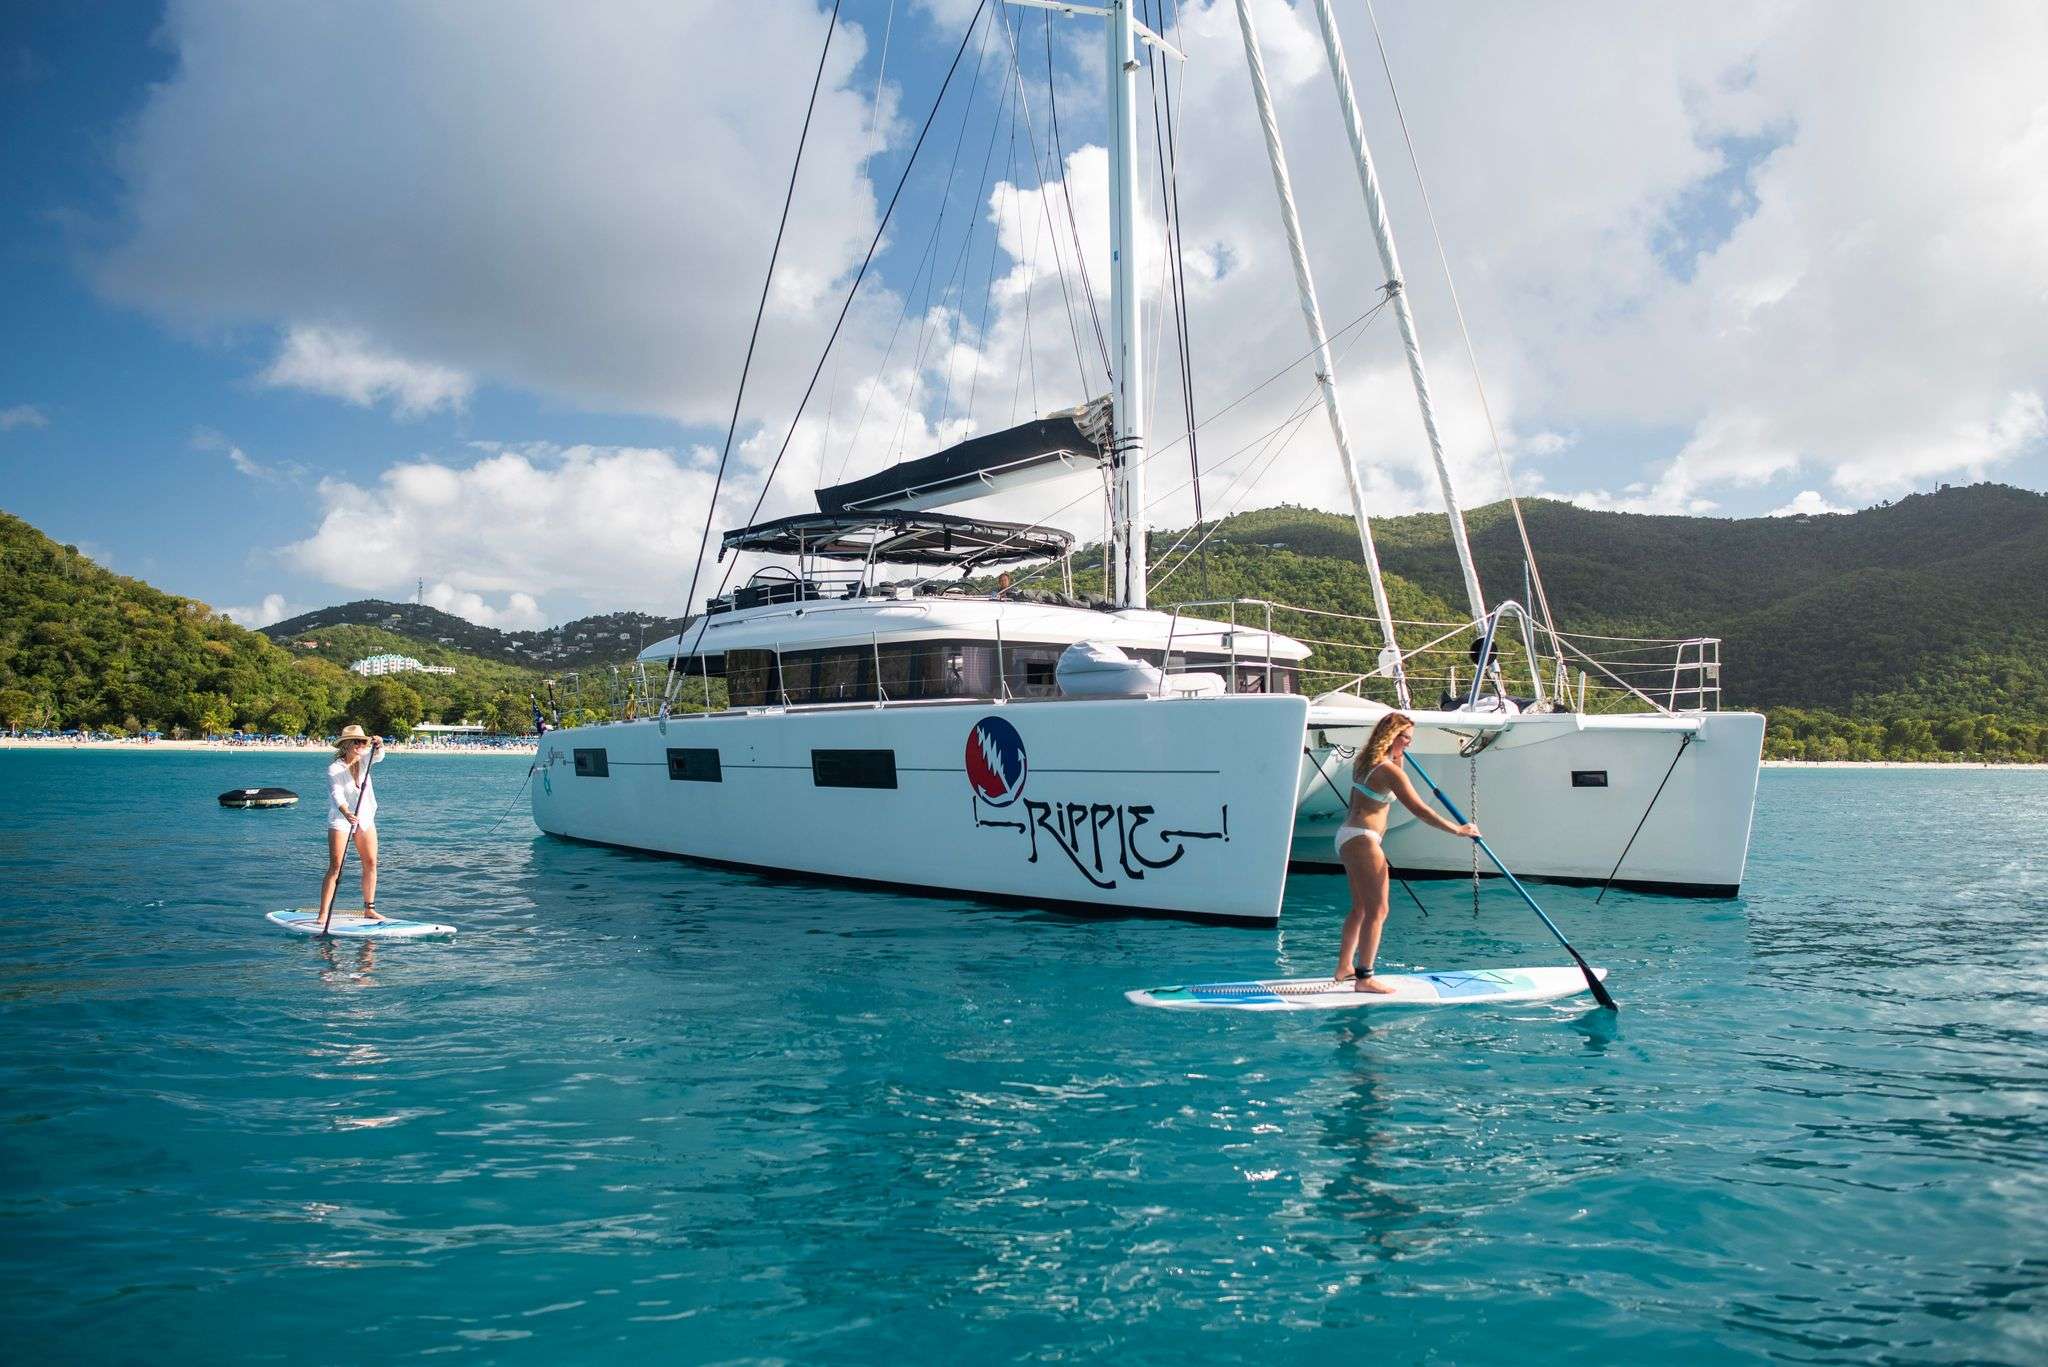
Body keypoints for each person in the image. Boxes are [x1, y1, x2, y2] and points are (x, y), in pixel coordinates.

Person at [1333, 712, 1479, 992]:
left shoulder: (1365, 763)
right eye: (1406, 738)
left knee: (1360, 908)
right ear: (1393, 737)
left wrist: (1397, 759)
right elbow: (1420, 809)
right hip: (1364, 840)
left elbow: (1380, 788)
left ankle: (1344, 968)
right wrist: (1457, 830)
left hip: (1347, 836)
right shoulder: (1388, 771)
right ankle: (1364, 978)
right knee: (1379, 909)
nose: (1409, 744)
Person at [317, 725, 386, 932]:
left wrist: (379, 743)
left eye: (363, 742)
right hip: (341, 818)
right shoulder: (335, 768)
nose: (360, 745)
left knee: (371, 862)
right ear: (346, 745)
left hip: (365, 817)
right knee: (336, 866)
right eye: (356, 742)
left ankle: (369, 908)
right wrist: (347, 812)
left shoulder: (365, 759)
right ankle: (323, 912)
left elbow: (379, 755)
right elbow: (337, 794)